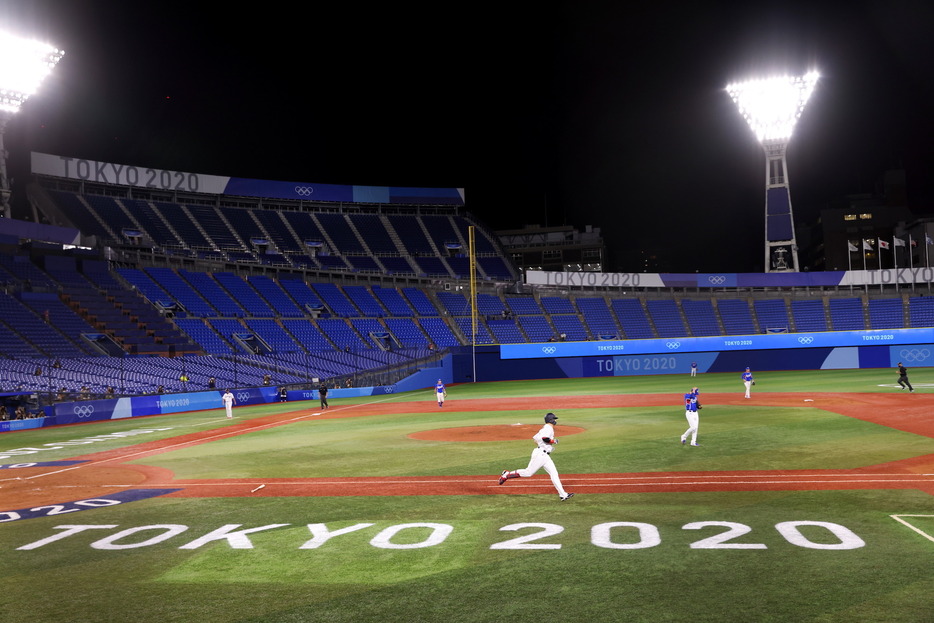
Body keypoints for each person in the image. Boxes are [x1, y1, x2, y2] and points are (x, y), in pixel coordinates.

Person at [498, 412, 574, 501]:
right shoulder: (548, 428)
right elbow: (544, 438)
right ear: (551, 420)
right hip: (540, 454)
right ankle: (507, 474)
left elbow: (535, 439)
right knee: (528, 472)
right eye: (554, 419)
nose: (555, 421)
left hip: (545, 455)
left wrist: (546, 446)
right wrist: (553, 441)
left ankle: (563, 495)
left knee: (554, 474)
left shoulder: (545, 428)